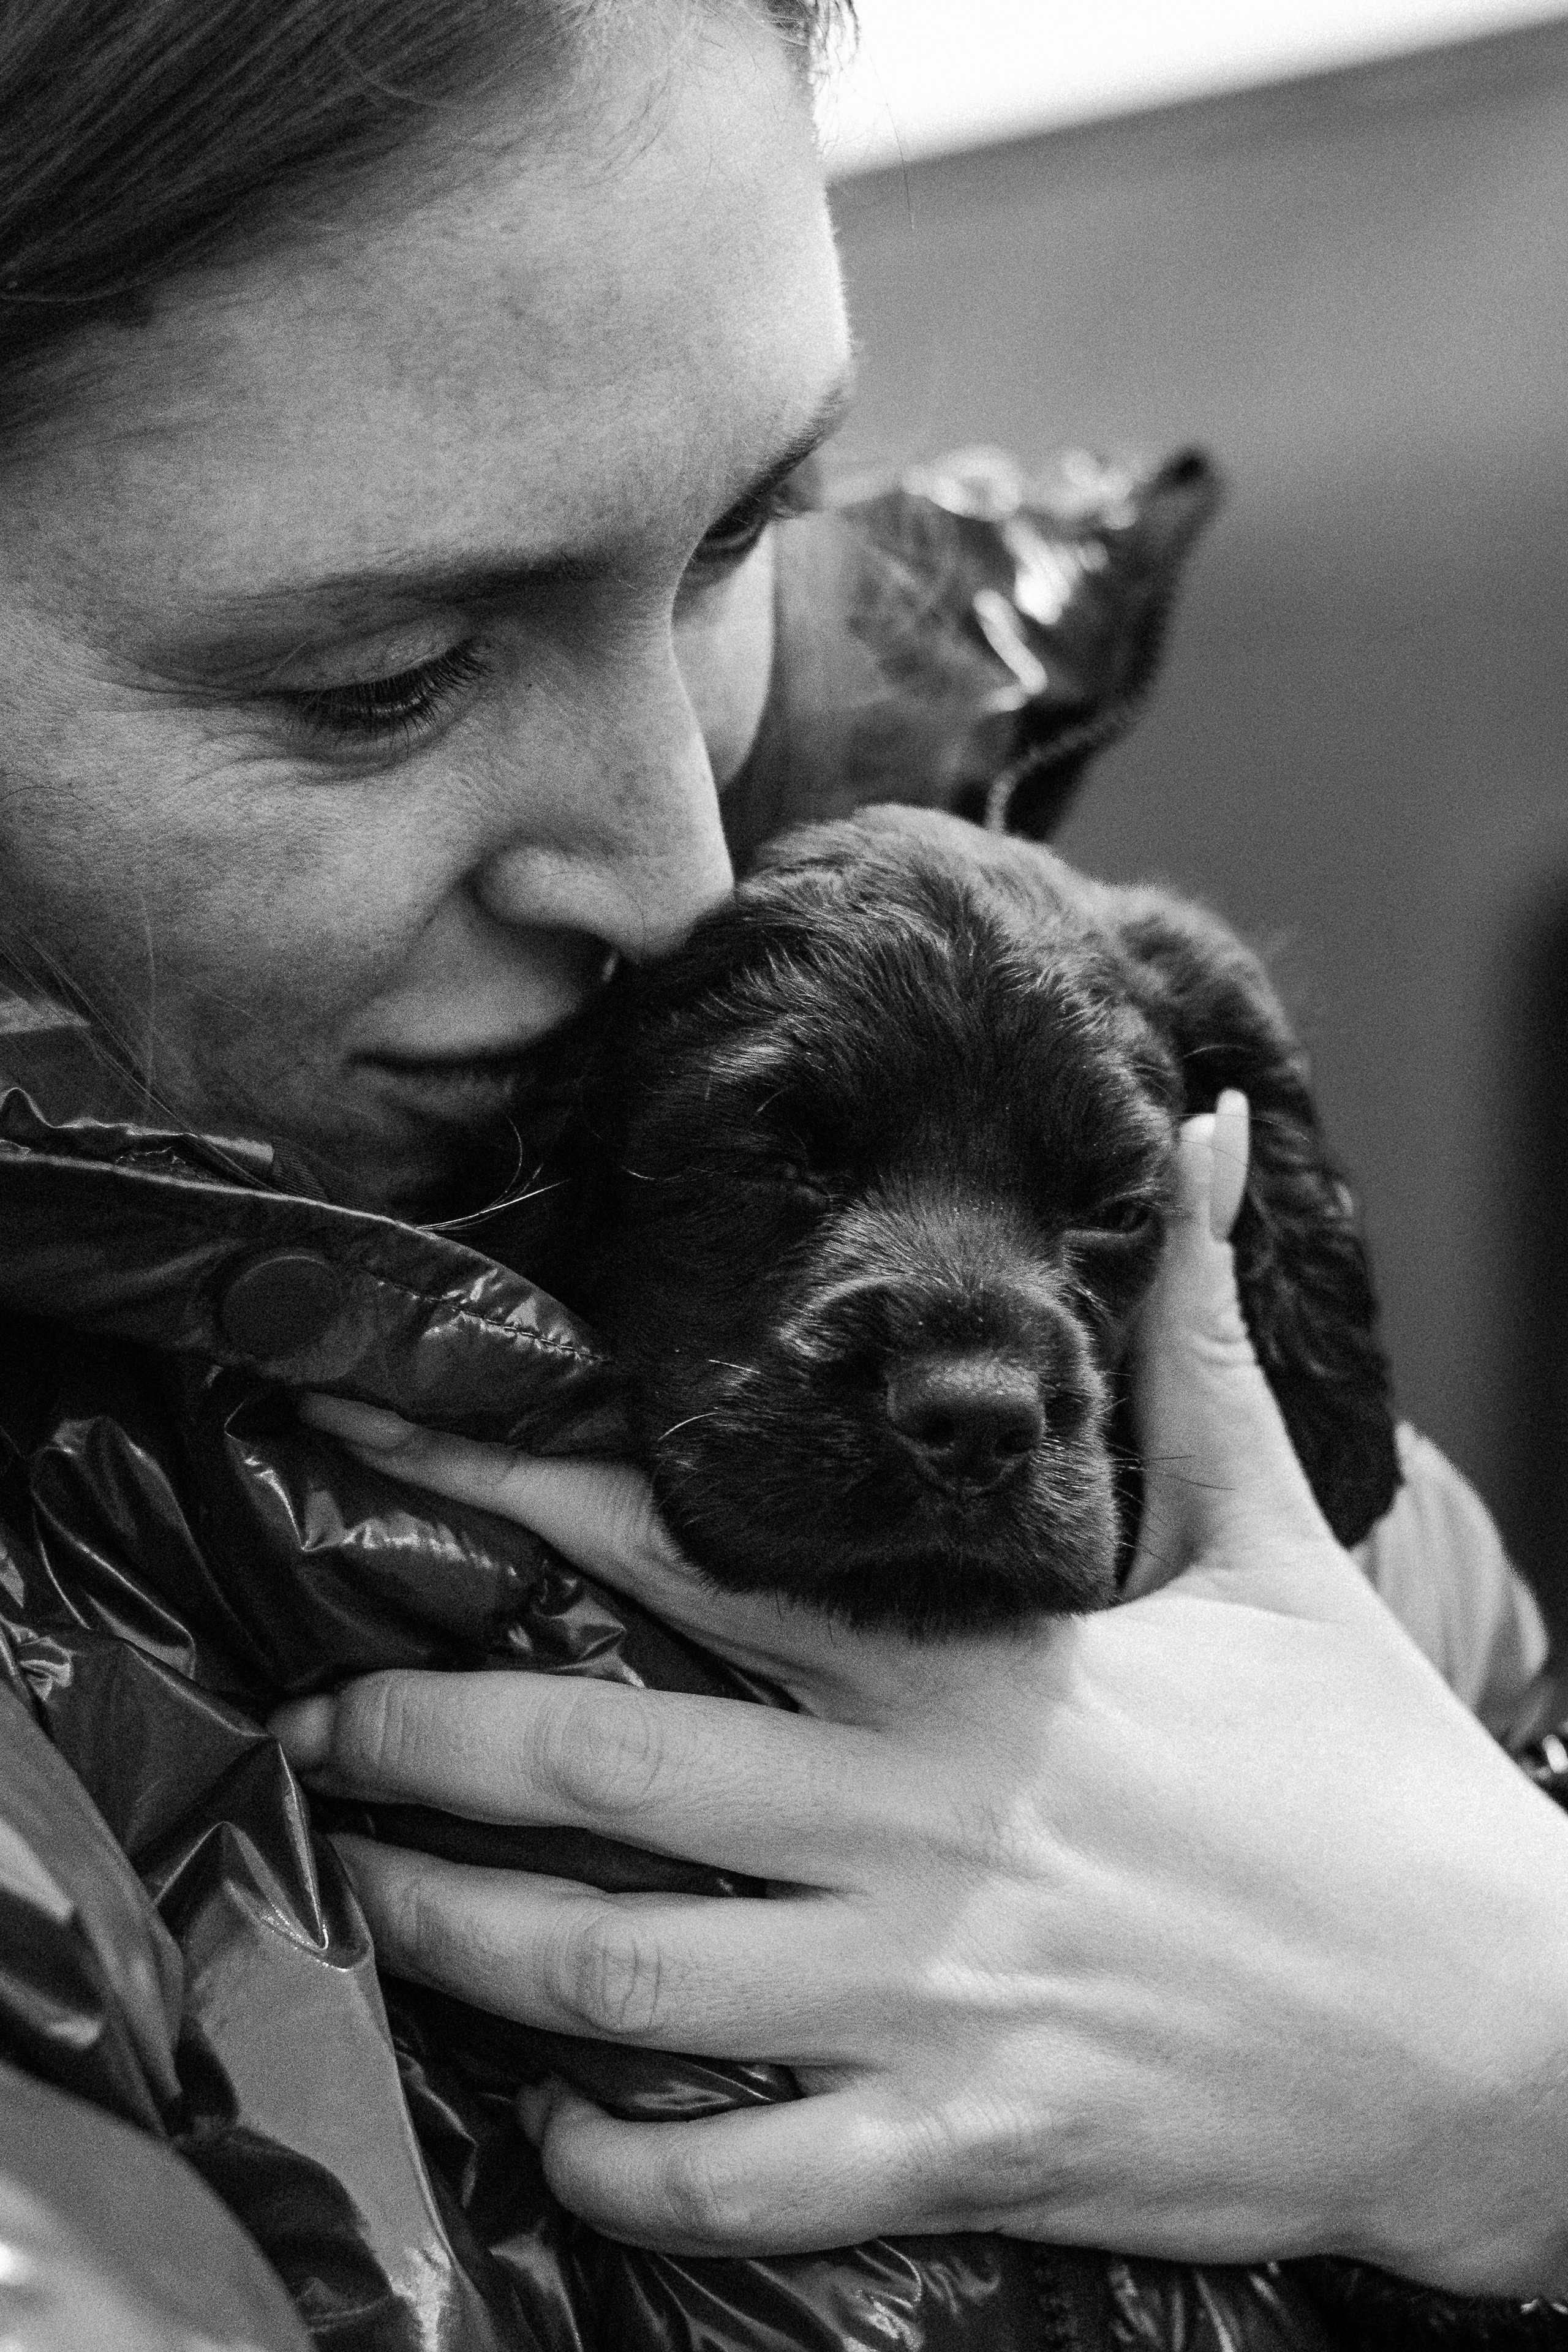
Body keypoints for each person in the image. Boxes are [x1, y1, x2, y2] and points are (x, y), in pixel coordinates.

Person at [2, 2, 1567, 2343]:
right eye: (386, 676)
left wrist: (1525, 2082)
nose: (677, 867)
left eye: (740, 527)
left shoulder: (1239, 1441)